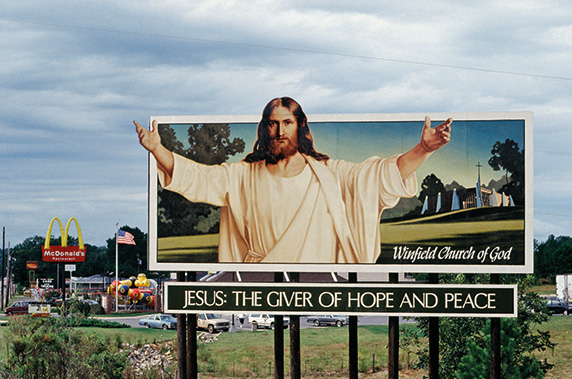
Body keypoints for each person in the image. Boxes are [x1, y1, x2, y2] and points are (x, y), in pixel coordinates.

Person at [135, 97, 452, 264]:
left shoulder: (330, 173)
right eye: (273, 124)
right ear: (265, 129)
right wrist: (158, 149)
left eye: (287, 122)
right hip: (262, 288)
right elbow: (199, 178)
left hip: (317, 288)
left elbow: (379, 175)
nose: (280, 131)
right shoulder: (244, 175)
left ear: (300, 127)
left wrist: (423, 149)